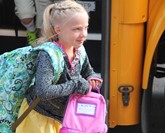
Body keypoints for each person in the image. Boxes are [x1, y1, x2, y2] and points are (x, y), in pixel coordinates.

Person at [16, 0, 103, 132]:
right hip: (40, 118)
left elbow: (87, 71)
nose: (83, 34)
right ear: (58, 29)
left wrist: (91, 78)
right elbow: (43, 91)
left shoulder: (80, 50)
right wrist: (75, 85)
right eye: (77, 29)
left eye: (86, 27)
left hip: (64, 118)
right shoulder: (49, 55)